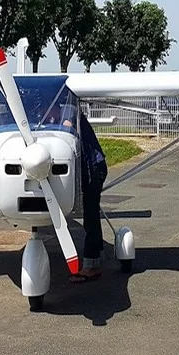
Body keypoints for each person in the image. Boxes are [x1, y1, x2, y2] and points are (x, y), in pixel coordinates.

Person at [69, 112, 107, 283]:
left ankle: (91, 265)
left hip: (94, 169)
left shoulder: (70, 119)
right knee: (91, 212)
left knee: (90, 215)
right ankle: (97, 252)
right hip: (89, 168)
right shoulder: (67, 115)